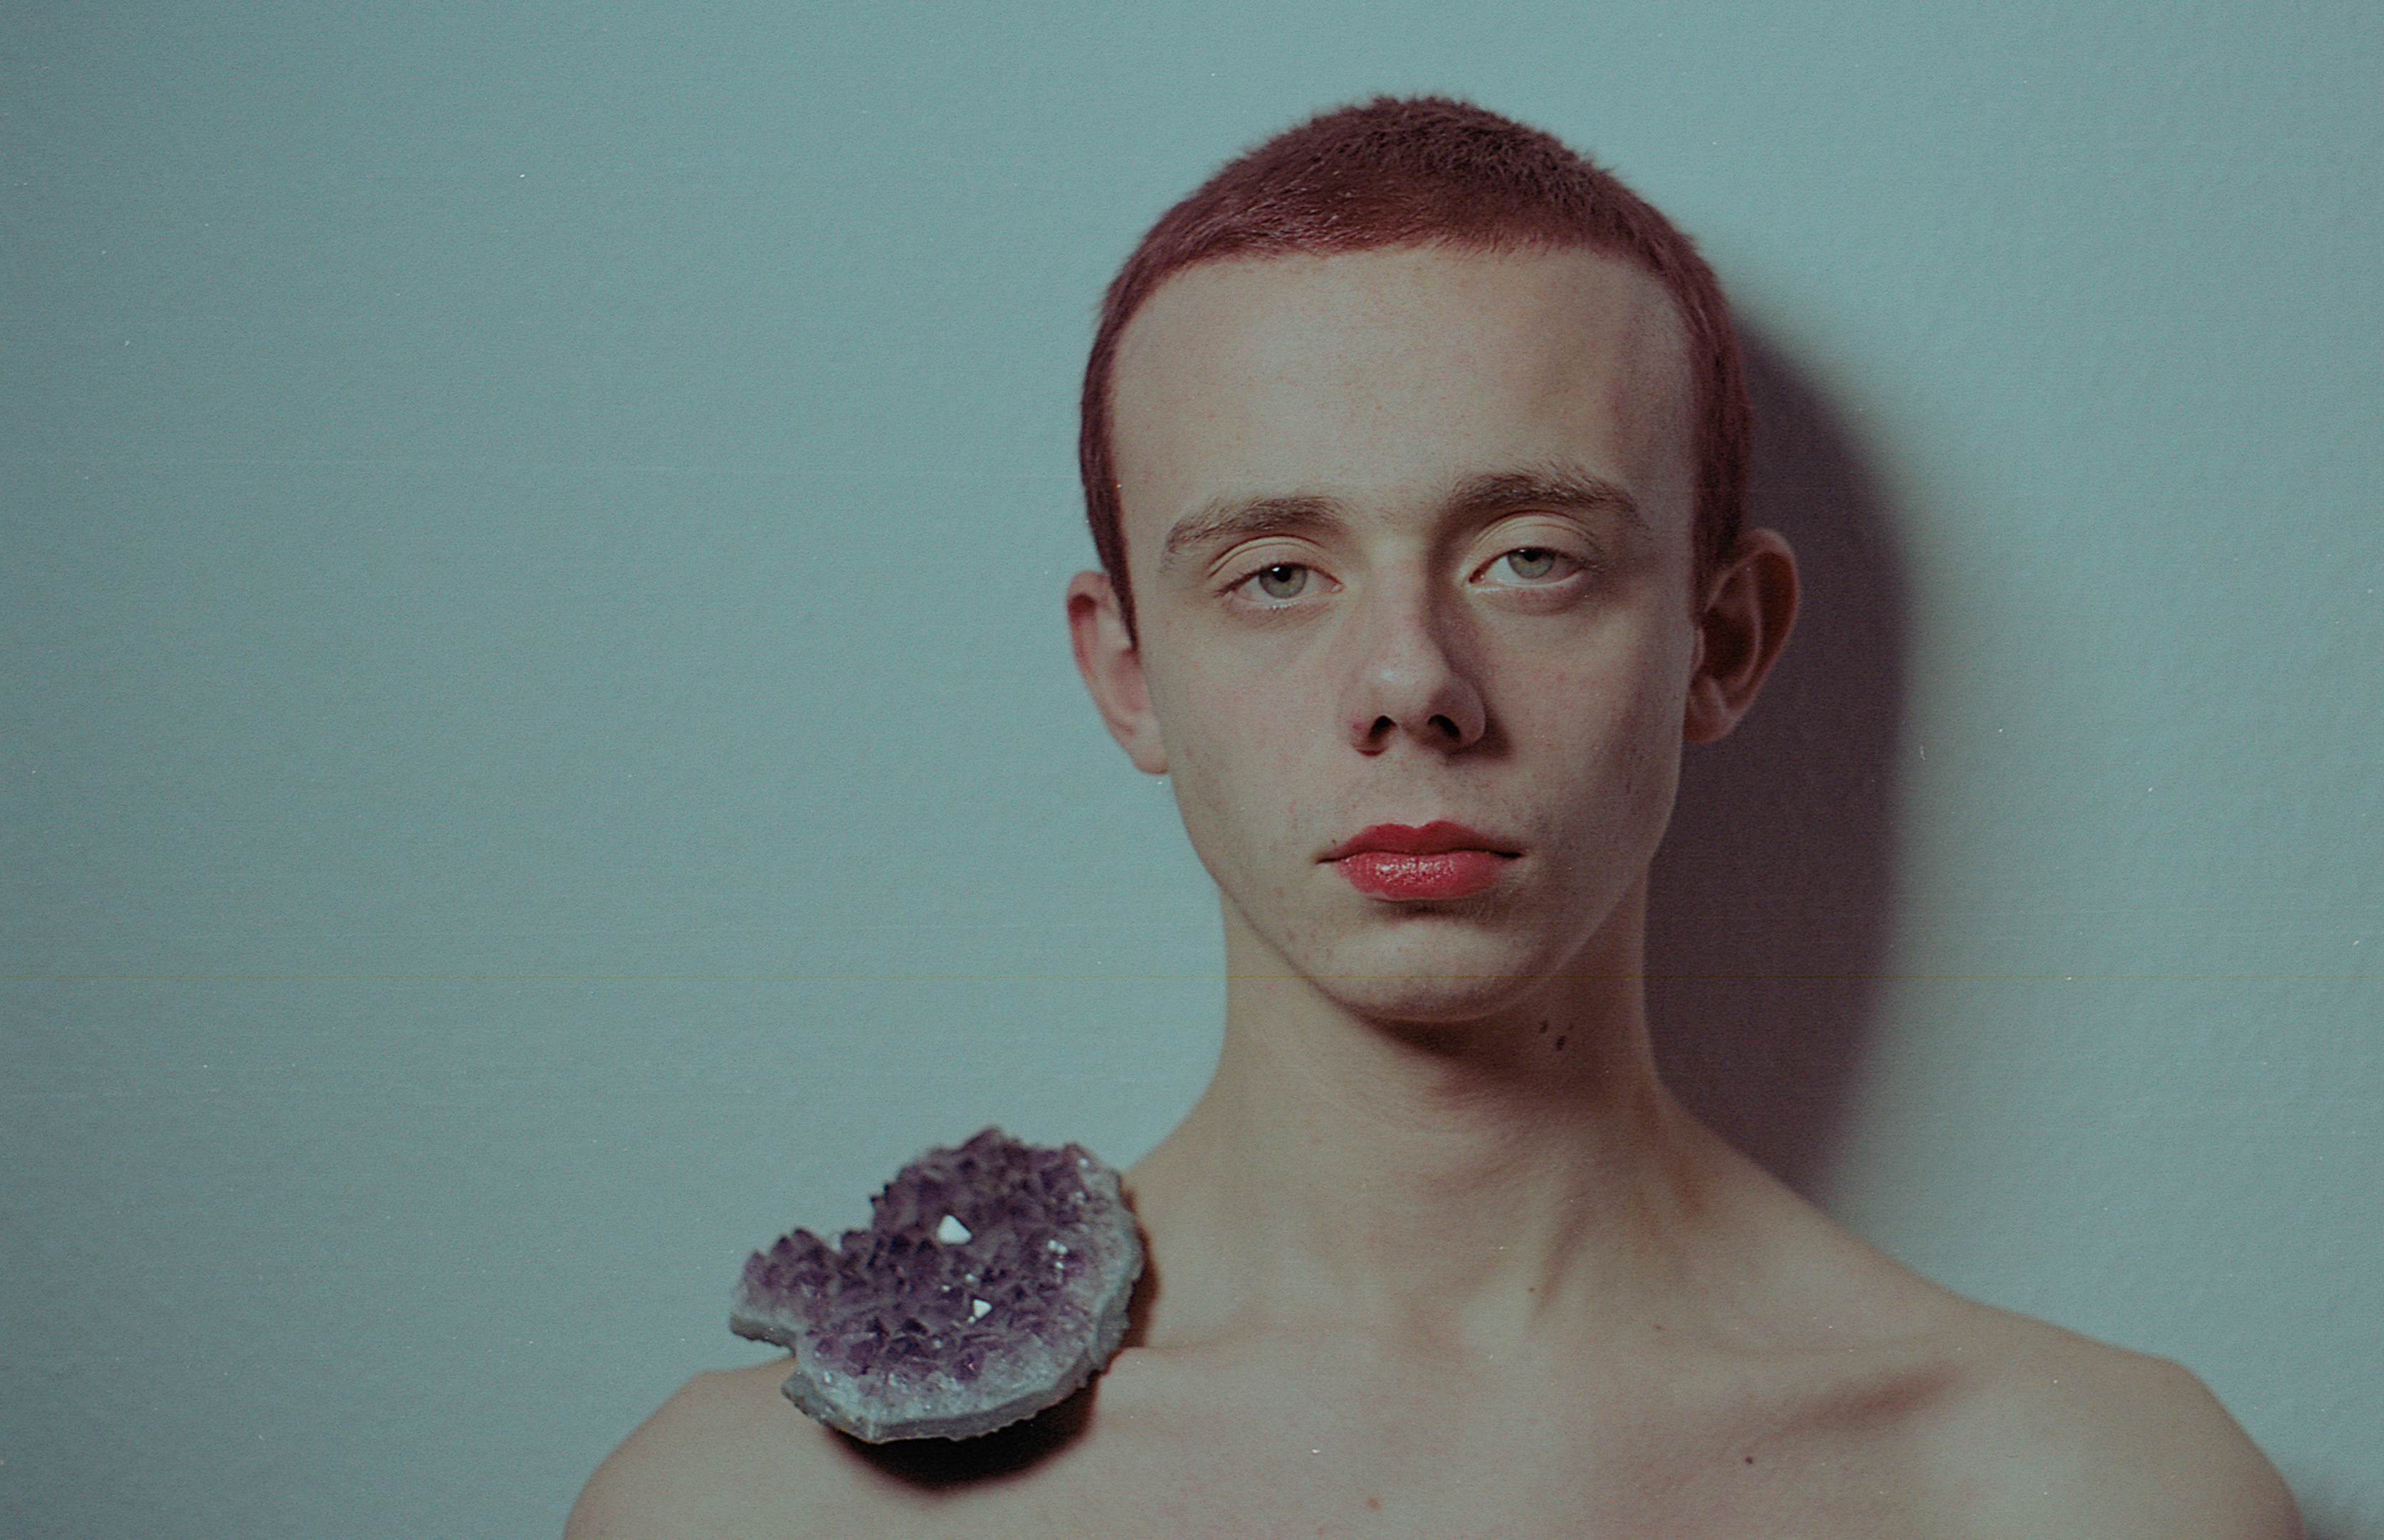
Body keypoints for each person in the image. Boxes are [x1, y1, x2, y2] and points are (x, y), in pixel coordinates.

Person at [569, 96, 2296, 1538]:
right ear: (1128, 672)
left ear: (1721, 640)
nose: (1411, 683)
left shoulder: (2090, 1491)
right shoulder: (748, 1506)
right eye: (1275, 573)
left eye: (1530, 556)